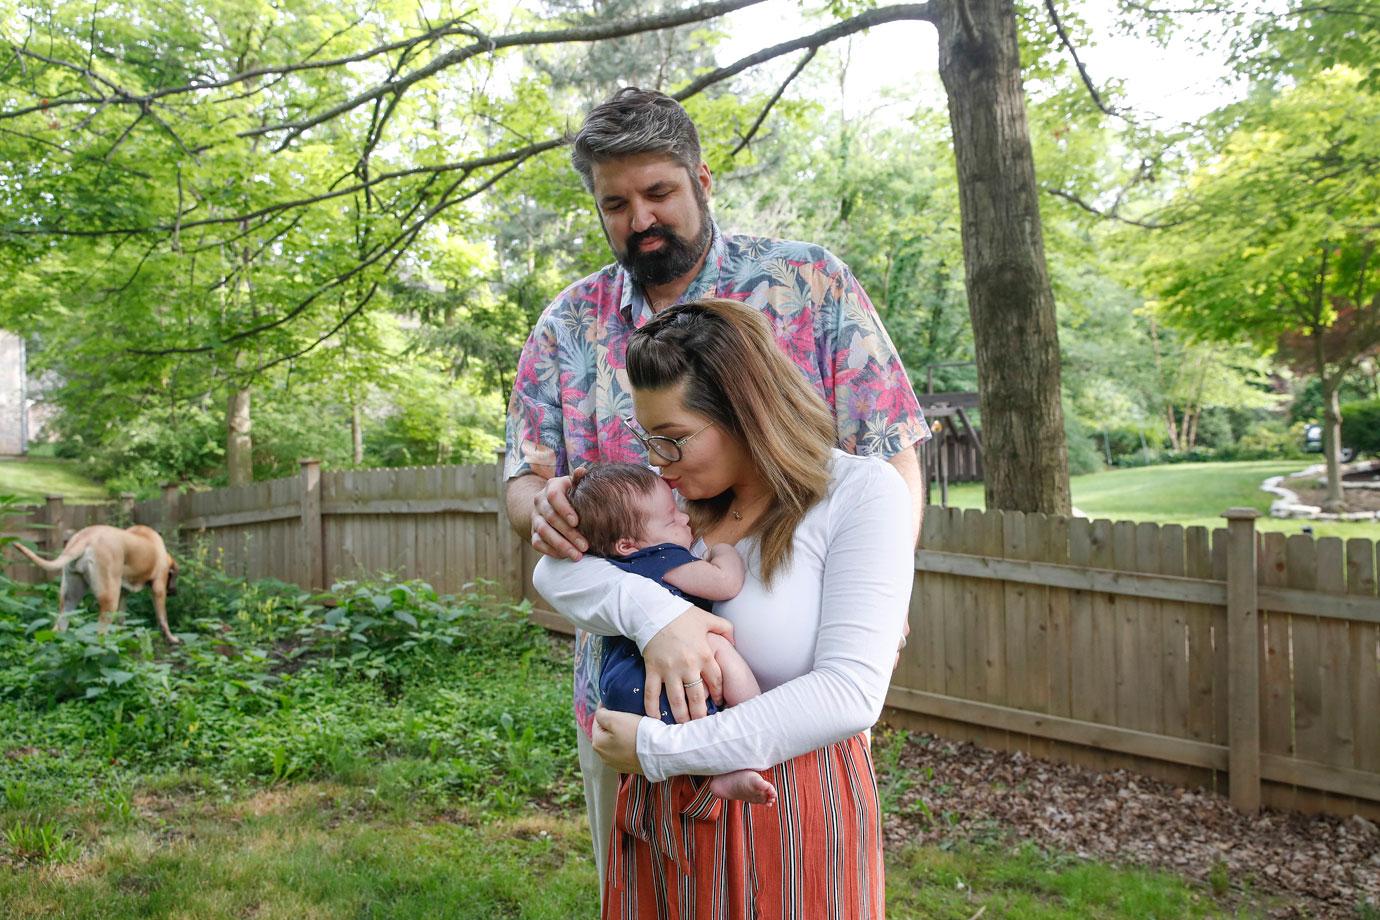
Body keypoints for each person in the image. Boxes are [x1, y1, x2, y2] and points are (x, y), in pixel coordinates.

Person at [502, 86, 929, 894]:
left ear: (702, 178)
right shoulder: (569, 325)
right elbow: (527, 491)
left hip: (795, 671)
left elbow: (889, 454)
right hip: (635, 684)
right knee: (649, 878)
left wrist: (877, 598)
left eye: (658, 192)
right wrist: (588, 548)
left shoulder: (810, 284)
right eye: (615, 203)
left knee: (793, 873)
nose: (639, 219)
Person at [535, 298, 914, 916]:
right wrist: (658, 617)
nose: (659, 462)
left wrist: (662, 752)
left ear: (745, 413)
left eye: (675, 440)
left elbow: (850, 692)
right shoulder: (674, 507)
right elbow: (552, 570)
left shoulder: (860, 495)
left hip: (789, 804)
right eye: (648, 438)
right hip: (663, 817)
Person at [567, 461, 776, 806]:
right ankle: (752, 724)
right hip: (650, 681)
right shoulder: (659, 559)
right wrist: (724, 552)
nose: (684, 518)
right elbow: (725, 583)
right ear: (628, 545)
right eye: (670, 518)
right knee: (716, 645)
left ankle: (721, 774)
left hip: (620, 690)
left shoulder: (611, 565)